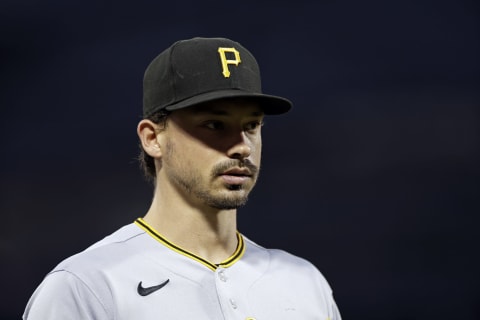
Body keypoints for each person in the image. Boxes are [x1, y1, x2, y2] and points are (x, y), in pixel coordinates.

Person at [23, 37, 341, 320]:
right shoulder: (88, 286)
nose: (242, 146)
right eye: (215, 125)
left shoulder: (304, 283)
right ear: (152, 138)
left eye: (252, 126)